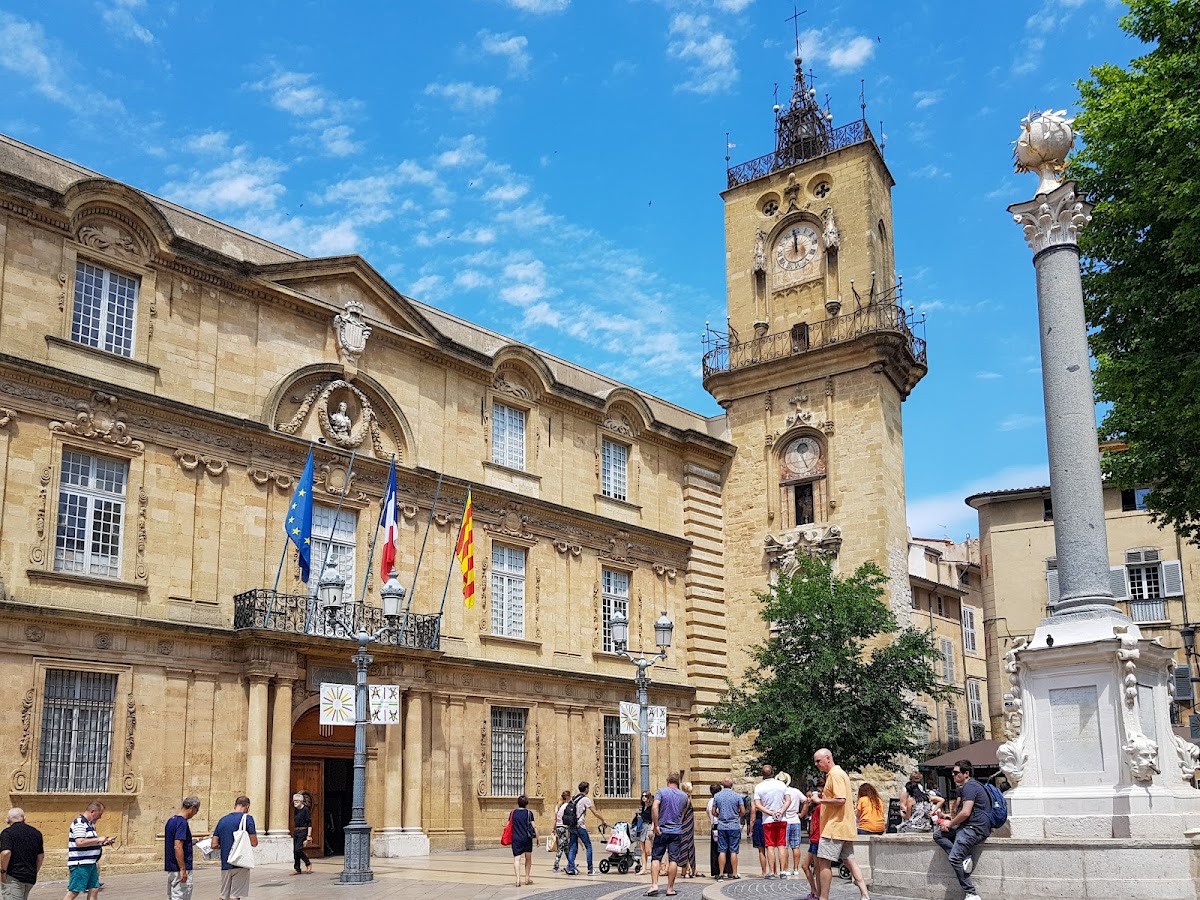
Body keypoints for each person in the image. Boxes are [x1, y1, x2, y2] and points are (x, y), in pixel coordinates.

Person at [811, 749, 869, 900]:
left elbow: (840, 799)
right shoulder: (838, 774)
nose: (816, 764)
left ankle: (823, 898)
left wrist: (820, 800)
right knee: (849, 860)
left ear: (828, 758)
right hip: (843, 826)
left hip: (834, 827)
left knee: (824, 862)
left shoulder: (835, 775)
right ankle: (865, 894)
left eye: (818, 761)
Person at [931, 761, 990, 900]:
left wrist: (950, 823)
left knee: (954, 858)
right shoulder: (971, 786)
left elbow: (965, 813)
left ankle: (971, 893)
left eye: (956, 773)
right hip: (969, 825)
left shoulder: (969, 787)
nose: (953, 775)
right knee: (939, 834)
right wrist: (949, 823)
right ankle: (965, 857)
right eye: (953, 772)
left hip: (975, 828)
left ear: (966, 774)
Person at [645, 772, 688, 897]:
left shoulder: (661, 792)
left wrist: (656, 824)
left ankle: (654, 885)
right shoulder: (684, 796)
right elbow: (683, 812)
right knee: (673, 859)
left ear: (668, 781)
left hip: (662, 830)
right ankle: (670, 888)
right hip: (676, 831)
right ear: (678, 782)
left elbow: (654, 807)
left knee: (656, 857)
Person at [211, 796, 258, 900]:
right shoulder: (247, 819)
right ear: (247, 807)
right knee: (235, 896)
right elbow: (254, 842)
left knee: (224, 895)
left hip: (226, 862)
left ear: (235, 805)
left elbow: (214, 844)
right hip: (240, 863)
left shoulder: (222, 820)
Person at [63, 802, 112, 900]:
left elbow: (89, 842)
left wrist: (104, 842)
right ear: (93, 811)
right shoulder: (79, 823)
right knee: (74, 891)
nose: (100, 817)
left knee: (94, 889)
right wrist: (98, 839)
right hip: (81, 864)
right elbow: (80, 842)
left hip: (90, 863)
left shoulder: (90, 825)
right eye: (100, 814)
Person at [565, 781, 608, 876]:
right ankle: (590, 869)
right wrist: (603, 820)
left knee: (572, 847)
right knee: (589, 846)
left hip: (572, 826)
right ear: (586, 789)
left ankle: (571, 868)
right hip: (580, 826)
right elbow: (594, 812)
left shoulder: (574, 798)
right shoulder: (585, 799)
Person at [752, 765, 787, 878]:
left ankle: (771, 872)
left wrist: (770, 812)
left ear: (762, 774)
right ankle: (782, 871)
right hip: (781, 818)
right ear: (773, 773)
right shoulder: (781, 784)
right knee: (781, 845)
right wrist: (780, 811)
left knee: (770, 846)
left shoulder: (759, 787)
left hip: (767, 819)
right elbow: (788, 800)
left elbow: (757, 805)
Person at [1, 808, 44, 900]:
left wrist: (3, 872)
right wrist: (34, 871)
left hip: (14, 877)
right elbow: (40, 856)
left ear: (7, 820)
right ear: (24, 818)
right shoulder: (36, 833)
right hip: (30, 877)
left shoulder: (7, 833)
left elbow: (6, 853)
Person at [164, 797, 201, 900]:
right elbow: (178, 845)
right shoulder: (182, 823)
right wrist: (183, 869)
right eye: (196, 810)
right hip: (180, 867)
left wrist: (198, 840)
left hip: (171, 867)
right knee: (181, 895)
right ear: (192, 807)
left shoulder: (171, 821)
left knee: (173, 896)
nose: (196, 813)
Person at [711, 777, 743, 880]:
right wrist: (736, 815)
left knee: (722, 850)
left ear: (722, 785)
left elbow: (713, 811)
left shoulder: (717, 796)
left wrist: (719, 816)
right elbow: (742, 811)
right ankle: (734, 872)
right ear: (731, 785)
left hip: (722, 826)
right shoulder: (737, 796)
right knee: (733, 850)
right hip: (734, 825)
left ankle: (721, 873)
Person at [799, 782, 822, 900]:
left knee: (817, 869)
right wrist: (807, 806)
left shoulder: (819, 808)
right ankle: (814, 891)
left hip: (817, 840)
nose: (808, 799)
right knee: (805, 866)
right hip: (813, 840)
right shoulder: (812, 809)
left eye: (809, 796)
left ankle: (818, 893)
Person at [779, 772, 804, 878]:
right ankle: (796, 869)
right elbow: (806, 801)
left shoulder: (780, 792)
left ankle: (785, 868)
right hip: (795, 820)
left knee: (785, 847)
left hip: (785, 820)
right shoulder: (795, 791)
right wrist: (802, 814)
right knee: (796, 846)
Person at [509, 794, 536, 887]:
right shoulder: (529, 813)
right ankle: (527, 878)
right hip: (527, 838)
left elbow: (508, 825)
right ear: (526, 803)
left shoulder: (513, 813)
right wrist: (538, 838)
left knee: (517, 858)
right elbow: (534, 826)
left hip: (516, 838)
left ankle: (517, 880)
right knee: (528, 858)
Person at [677, 782, 697, 878]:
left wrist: (678, 823)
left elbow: (683, 813)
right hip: (689, 824)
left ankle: (685, 870)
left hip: (685, 825)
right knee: (689, 846)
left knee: (685, 846)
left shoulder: (685, 799)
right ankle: (691, 870)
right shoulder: (689, 798)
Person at [290, 793, 312, 875]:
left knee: (298, 849)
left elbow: (309, 823)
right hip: (296, 831)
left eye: (296, 801)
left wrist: (308, 835)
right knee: (295, 851)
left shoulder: (305, 810)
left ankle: (308, 863)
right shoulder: (296, 810)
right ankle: (297, 868)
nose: (295, 802)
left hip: (303, 831)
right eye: (294, 801)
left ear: (301, 801)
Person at [634, 791, 654, 874]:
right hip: (642, 827)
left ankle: (658, 863)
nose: (643, 797)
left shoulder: (652, 807)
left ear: (649, 798)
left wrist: (651, 830)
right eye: (642, 796)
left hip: (649, 826)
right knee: (643, 850)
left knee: (648, 850)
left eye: (645, 796)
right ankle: (644, 868)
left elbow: (654, 820)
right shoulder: (642, 808)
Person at [552, 791, 571, 873]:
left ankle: (570, 863)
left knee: (566, 847)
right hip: (563, 827)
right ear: (567, 797)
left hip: (558, 827)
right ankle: (556, 866)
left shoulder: (559, 806)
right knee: (561, 848)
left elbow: (556, 818)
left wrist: (553, 828)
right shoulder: (566, 806)